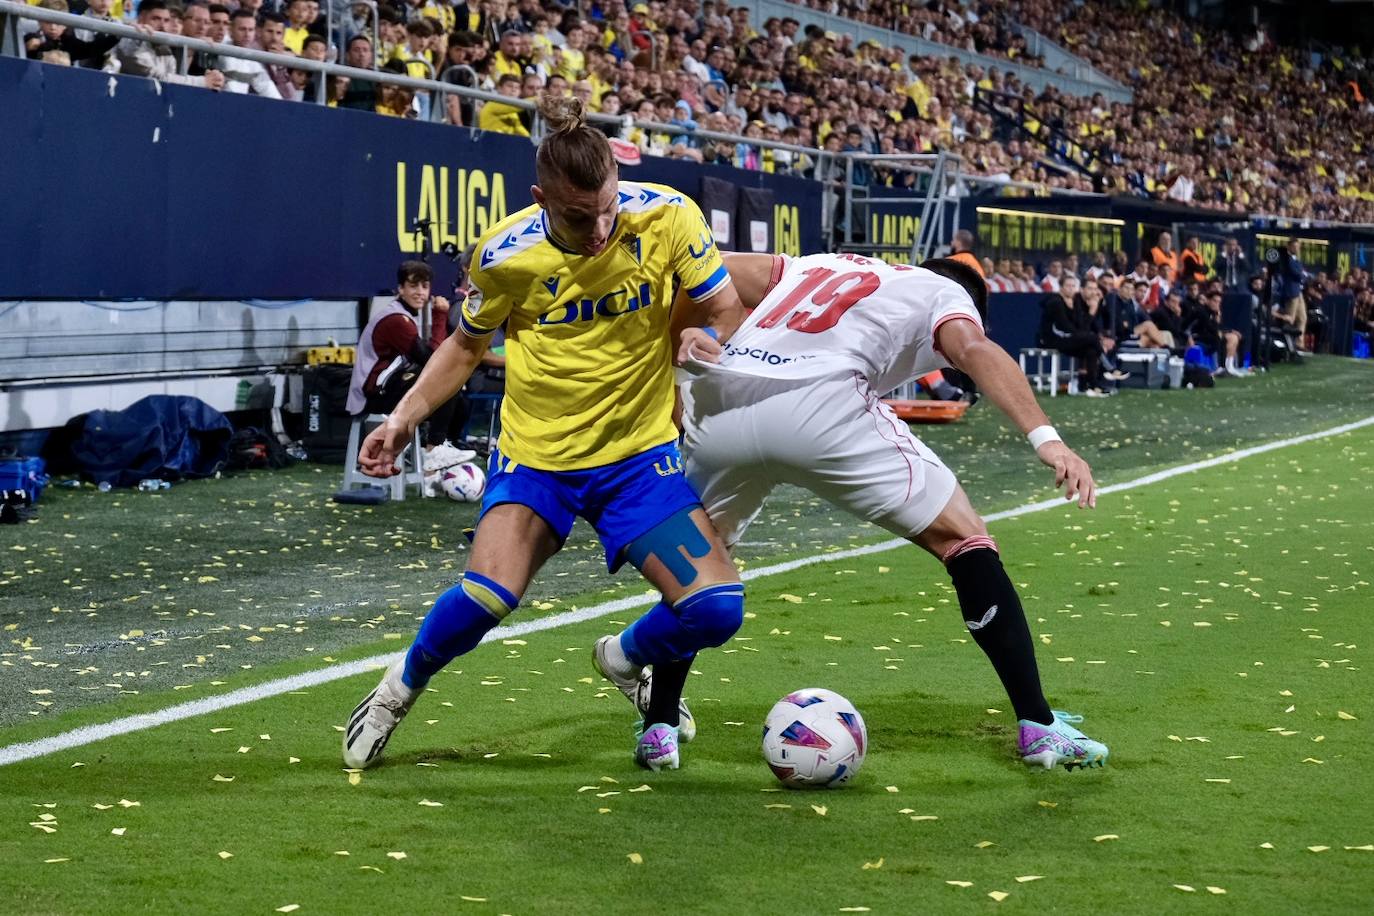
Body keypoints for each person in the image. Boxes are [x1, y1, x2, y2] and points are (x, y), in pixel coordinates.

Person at [342, 95, 748, 773]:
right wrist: (401, 418)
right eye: (579, 217)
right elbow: (464, 349)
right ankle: (397, 689)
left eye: (608, 210)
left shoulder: (671, 216)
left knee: (715, 611)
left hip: (637, 459)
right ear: (541, 198)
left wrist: (705, 337)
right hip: (538, 461)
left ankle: (621, 658)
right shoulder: (505, 255)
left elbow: (724, 305)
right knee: (487, 597)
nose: (599, 232)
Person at [606, 251, 1110, 771]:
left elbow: (706, 270)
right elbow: (974, 346)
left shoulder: (817, 265)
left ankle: (658, 727)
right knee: (965, 540)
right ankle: (1039, 726)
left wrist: (671, 367)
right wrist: (1048, 441)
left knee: (702, 574)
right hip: (824, 404)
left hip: (720, 402)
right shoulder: (943, 293)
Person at [346, 260, 476, 475]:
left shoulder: (404, 315)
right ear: (400, 289)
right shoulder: (396, 320)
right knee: (444, 379)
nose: (420, 293)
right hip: (372, 394)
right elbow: (432, 360)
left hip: (388, 385)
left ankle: (436, 461)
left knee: (459, 399)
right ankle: (434, 449)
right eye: (413, 286)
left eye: (425, 287)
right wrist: (440, 317)